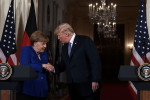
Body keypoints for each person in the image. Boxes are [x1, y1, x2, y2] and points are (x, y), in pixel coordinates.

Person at [54, 23, 102, 100]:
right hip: (73, 87)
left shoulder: (85, 40)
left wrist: (95, 80)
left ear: (66, 34)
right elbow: (63, 64)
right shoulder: (64, 48)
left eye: (59, 35)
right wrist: (52, 68)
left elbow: (95, 61)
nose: (58, 38)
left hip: (88, 85)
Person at [17, 31, 54, 100]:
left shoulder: (44, 53)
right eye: (43, 44)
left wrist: (49, 67)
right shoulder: (26, 50)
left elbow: (44, 69)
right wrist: (42, 65)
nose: (45, 46)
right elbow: (24, 66)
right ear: (35, 43)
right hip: (30, 89)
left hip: (43, 89)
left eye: (46, 44)